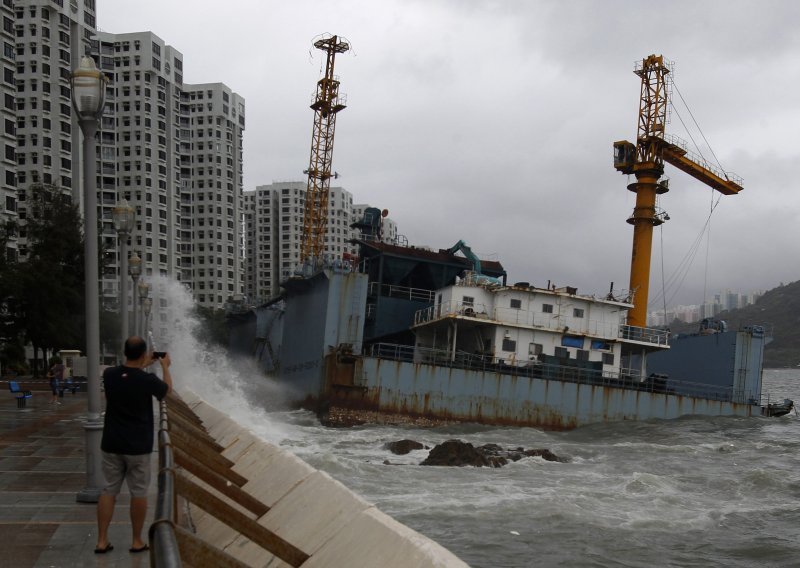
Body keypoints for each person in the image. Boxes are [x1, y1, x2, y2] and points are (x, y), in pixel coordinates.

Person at [94, 336, 172, 555]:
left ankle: (101, 540)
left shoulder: (110, 375)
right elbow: (167, 391)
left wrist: (143, 363)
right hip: (138, 446)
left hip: (111, 443)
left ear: (125, 352)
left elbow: (129, 373)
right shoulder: (147, 381)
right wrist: (164, 366)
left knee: (109, 490)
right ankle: (137, 540)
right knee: (138, 493)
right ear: (143, 353)